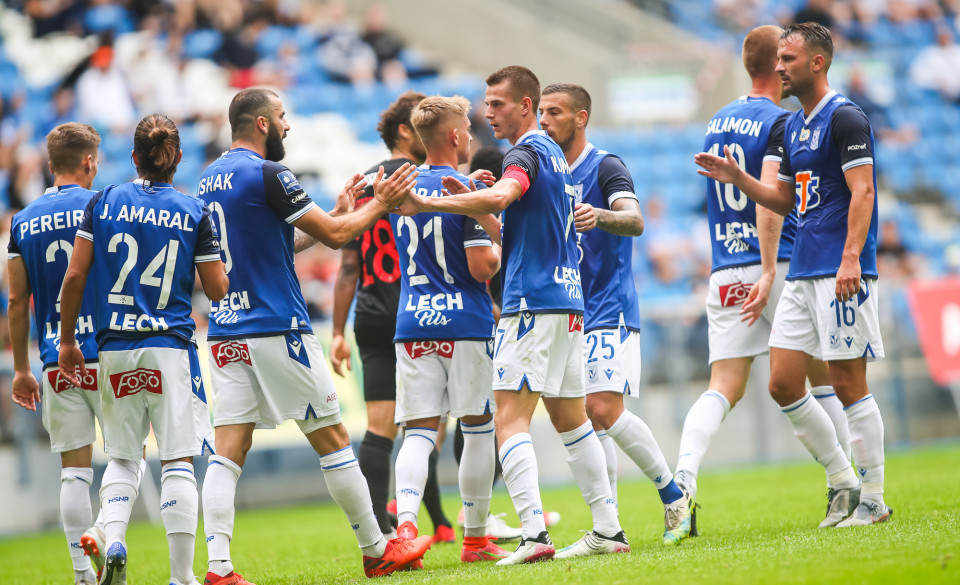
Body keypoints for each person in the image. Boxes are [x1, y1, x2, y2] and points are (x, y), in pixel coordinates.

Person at [197, 88, 429, 584]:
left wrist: (339, 212)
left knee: (229, 447)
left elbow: (284, 243)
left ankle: (218, 568)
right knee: (334, 437)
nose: (287, 126)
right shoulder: (270, 173)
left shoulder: (209, 178)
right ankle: (377, 549)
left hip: (226, 331)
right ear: (261, 124)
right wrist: (379, 204)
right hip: (276, 325)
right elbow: (340, 237)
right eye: (282, 117)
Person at [400, 66, 627, 564]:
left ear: (526, 106)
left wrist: (429, 199)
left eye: (498, 103)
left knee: (508, 419)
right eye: (486, 103)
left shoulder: (524, 151)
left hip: (531, 304)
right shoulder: (554, 157)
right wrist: (476, 200)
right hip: (568, 304)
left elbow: (504, 196)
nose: (488, 112)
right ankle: (608, 528)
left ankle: (532, 535)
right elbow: (512, 222)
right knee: (571, 421)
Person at [695, 22, 891, 527]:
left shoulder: (845, 117)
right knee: (783, 383)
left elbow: (863, 192)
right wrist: (739, 178)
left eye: (789, 59)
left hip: (839, 268)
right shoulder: (791, 125)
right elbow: (783, 199)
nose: (778, 67)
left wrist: (851, 259)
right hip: (801, 270)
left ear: (818, 63)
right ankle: (844, 481)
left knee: (848, 381)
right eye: (778, 58)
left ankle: (872, 498)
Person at [57, 114, 229, 585]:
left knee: (123, 458)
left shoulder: (104, 201)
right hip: (169, 347)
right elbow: (216, 289)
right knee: (177, 459)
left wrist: (68, 340)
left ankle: (114, 537)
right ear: (177, 158)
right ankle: (181, 576)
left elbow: (74, 277)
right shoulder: (195, 210)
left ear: (134, 157)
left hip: (114, 348)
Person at [537, 83, 692, 548]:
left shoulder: (606, 165)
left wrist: (598, 215)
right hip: (568, 308)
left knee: (602, 408)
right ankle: (609, 527)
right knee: (587, 418)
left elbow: (635, 220)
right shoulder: (545, 171)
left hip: (609, 304)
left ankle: (674, 495)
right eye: (541, 112)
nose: (544, 120)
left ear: (581, 117)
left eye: (555, 112)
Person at [329, 91, 456, 544]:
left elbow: (347, 268)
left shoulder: (363, 183)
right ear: (406, 131)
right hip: (419, 314)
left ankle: (384, 533)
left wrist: (338, 332)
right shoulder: (427, 180)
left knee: (380, 429)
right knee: (431, 425)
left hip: (369, 315)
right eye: (422, 124)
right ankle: (455, 522)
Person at [389, 95, 507, 563]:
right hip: (464, 322)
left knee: (419, 432)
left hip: (414, 321)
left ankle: (405, 534)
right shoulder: (463, 192)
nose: (473, 137)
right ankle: (475, 539)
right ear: (456, 136)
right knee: (477, 426)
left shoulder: (403, 188)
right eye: (469, 130)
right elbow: (482, 267)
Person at [7, 122, 115, 585]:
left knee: (75, 472)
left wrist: (20, 369)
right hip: (112, 352)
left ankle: (81, 576)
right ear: (90, 161)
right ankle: (107, 532)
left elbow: (15, 301)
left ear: (51, 166)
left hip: (55, 360)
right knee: (127, 458)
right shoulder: (105, 206)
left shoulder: (21, 220)